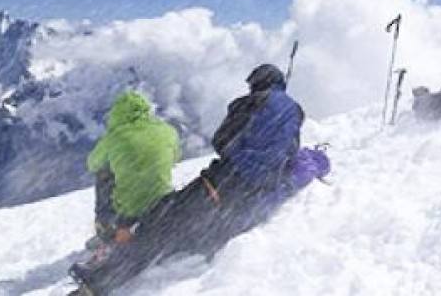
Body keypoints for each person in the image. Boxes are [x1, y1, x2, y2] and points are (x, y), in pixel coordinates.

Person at [70, 64, 306, 294]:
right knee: (182, 228)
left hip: (220, 185)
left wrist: (243, 155)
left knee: (160, 225)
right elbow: (289, 153)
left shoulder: (248, 103)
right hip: (252, 198)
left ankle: (98, 282)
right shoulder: (295, 111)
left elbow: (221, 142)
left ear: (257, 83)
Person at [86, 91, 180, 250]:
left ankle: (107, 231)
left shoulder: (114, 137)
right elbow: (176, 157)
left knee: (103, 173)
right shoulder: (168, 131)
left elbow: (92, 164)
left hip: (127, 213)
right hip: (162, 203)